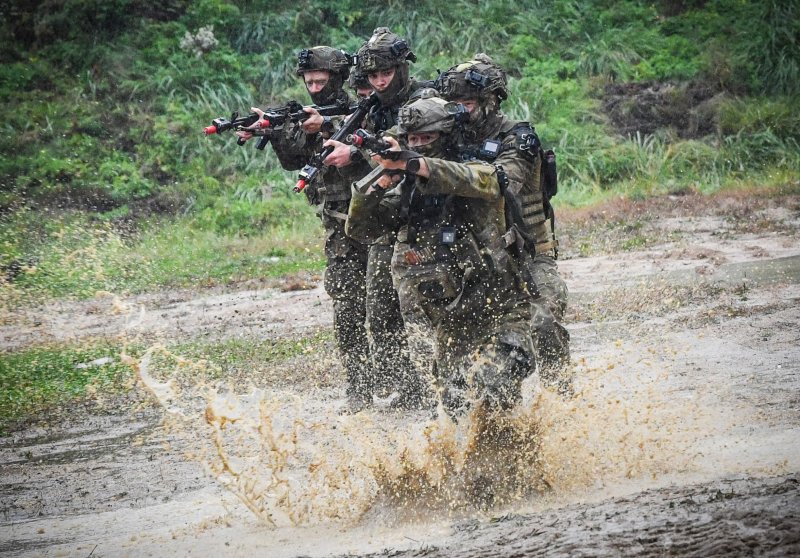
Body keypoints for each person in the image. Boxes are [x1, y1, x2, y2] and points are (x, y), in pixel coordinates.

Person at [346, 94, 537, 417]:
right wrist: (380, 183)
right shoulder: (406, 189)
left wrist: (415, 164)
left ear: (446, 137)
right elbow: (361, 229)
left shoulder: (474, 166)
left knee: (497, 382)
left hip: (501, 305)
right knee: (454, 404)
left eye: (427, 138)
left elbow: (485, 182)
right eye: (413, 140)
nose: (419, 146)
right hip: (453, 318)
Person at [237, 46, 374, 412]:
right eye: (308, 81)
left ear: (337, 79)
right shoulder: (307, 114)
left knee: (385, 304)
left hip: (377, 222)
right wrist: (276, 129)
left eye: (320, 80)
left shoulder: (365, 107)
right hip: (338, 226)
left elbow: (372, 148)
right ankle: (359, 386)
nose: (314, 87)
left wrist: (327, 126)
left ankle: (404, 382)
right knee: (346, 304)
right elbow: (295, 160)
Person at [435, 54, 571, 387]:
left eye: (467, 103)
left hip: (531, 253)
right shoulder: (447, 137)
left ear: (492, 100)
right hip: (475, 258)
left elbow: (501, 181)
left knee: (544, 322)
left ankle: (560, 394)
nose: (460, 111)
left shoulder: (519, 138)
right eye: (453, 104)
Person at [323, 28, 429, 410]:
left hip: (425, 219)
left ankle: (438, 386)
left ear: (401, 67)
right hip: (388, 221)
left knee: (424, 312)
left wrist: (358, 153)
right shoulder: (374, 106)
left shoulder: (425, 100)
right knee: (380, 311)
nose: (380, 81)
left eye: (386, 73)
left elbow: (399, 151)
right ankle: (410, 390)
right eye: (372, 76)